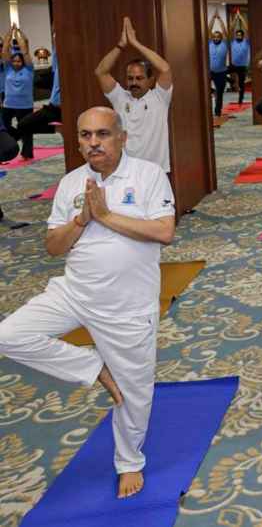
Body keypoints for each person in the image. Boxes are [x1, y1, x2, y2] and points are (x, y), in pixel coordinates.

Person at [0, 105, 175, 498]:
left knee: (135, 394)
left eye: (102, 134)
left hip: (128, 308)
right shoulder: (71, 183)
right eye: (85, 135)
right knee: (7, 336)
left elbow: (164, 232)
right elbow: (51, 247)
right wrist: (81, 220)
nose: (93, 143)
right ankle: (92, 366)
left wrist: (105, 215)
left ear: (122, 137)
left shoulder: (148, 176)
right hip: (74, 292)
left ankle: (129, 461)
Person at [96, 17, 173, 173]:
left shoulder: (160, 97)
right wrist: (121, 45)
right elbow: (101, 72)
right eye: (130, 78)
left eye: (139, 78)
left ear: (151, 80)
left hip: (155, 170)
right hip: (126, 169)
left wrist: (135, 43)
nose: (134, 82)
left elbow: (165, 69)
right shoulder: (120, 97)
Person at [18, 33, 63, 139]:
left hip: (68, 109)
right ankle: (60, 130)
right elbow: (56, 52)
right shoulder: (56, 65)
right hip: (52, 108)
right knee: (23, 124)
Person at [1, 24, 35, 159]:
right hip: (9, 104)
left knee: (28, 129)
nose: (16, 63)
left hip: (25, 105)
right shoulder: (8, 68)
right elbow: (4, 51)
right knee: (3, 127)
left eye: (18, 61)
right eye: (14, 61)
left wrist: (19, 34)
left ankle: (27, 153)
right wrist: (9, 34)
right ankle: (12, 140)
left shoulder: (29, 70)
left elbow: (25, 51)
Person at [207, 12, 229, 117]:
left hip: (221, 73)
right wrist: (212, 18)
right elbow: (208, 31)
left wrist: (220, 19)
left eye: (218, 37)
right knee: (205, 90)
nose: (216, 38)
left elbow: (225, 32)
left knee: (220, 93)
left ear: (221, 38)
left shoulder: (224, 44)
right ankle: (212, 92)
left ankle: (217, 111)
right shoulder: (209, 43)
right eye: (214, 37)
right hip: (210, 72)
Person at [228, 17, 250, 105]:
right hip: (233, 65)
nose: (238, 36)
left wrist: (241, 19)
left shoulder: (246, 42)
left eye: (240, 35)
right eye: (237, 35)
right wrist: (234, 20)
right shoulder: (233, 42)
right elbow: (230, 31)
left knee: (241, 84)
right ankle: (232, 81)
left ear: (242, 36)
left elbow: (247, 30)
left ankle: (240, 100)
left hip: (242, 67)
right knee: (220, 72)